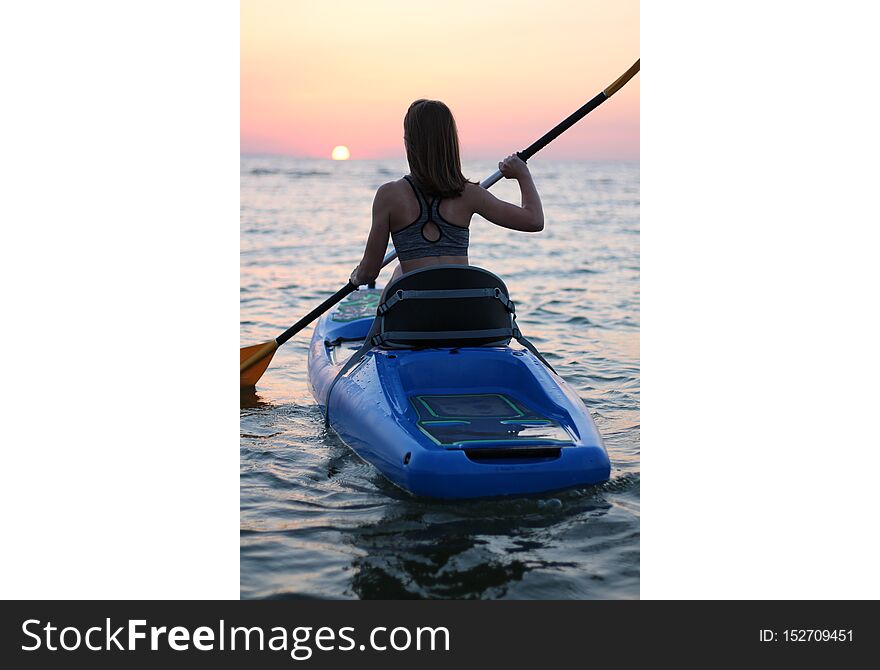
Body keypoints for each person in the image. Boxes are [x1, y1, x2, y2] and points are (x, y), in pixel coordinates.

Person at [349, 99, 544, 288]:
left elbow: (369, 273)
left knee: (398, 278)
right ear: (450, 141)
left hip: (418, 310)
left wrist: (356, 277)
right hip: (460, 308)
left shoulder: (389, 195)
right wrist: (522, 173)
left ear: (409, 143)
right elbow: (534, 220)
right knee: (398, 272)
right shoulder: (469, 194)